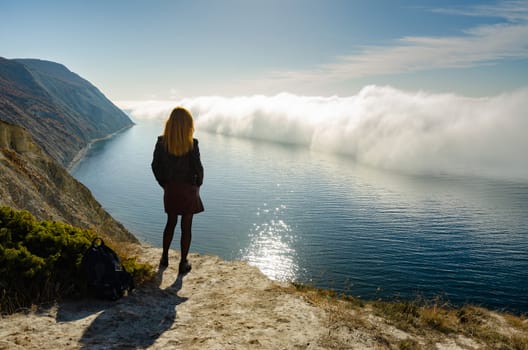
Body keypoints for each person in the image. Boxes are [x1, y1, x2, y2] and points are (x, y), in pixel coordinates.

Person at [151, 107, 204, 274]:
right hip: (188, 189)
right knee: (186, 227)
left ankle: (164, 258)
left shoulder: (161, 143)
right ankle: (183, 263)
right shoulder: (192, 144)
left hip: (171, 189)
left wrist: (164, 184)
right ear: (188, 124)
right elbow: (199, 169)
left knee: (170, 223)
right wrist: (198, 185)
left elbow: (155, 166)